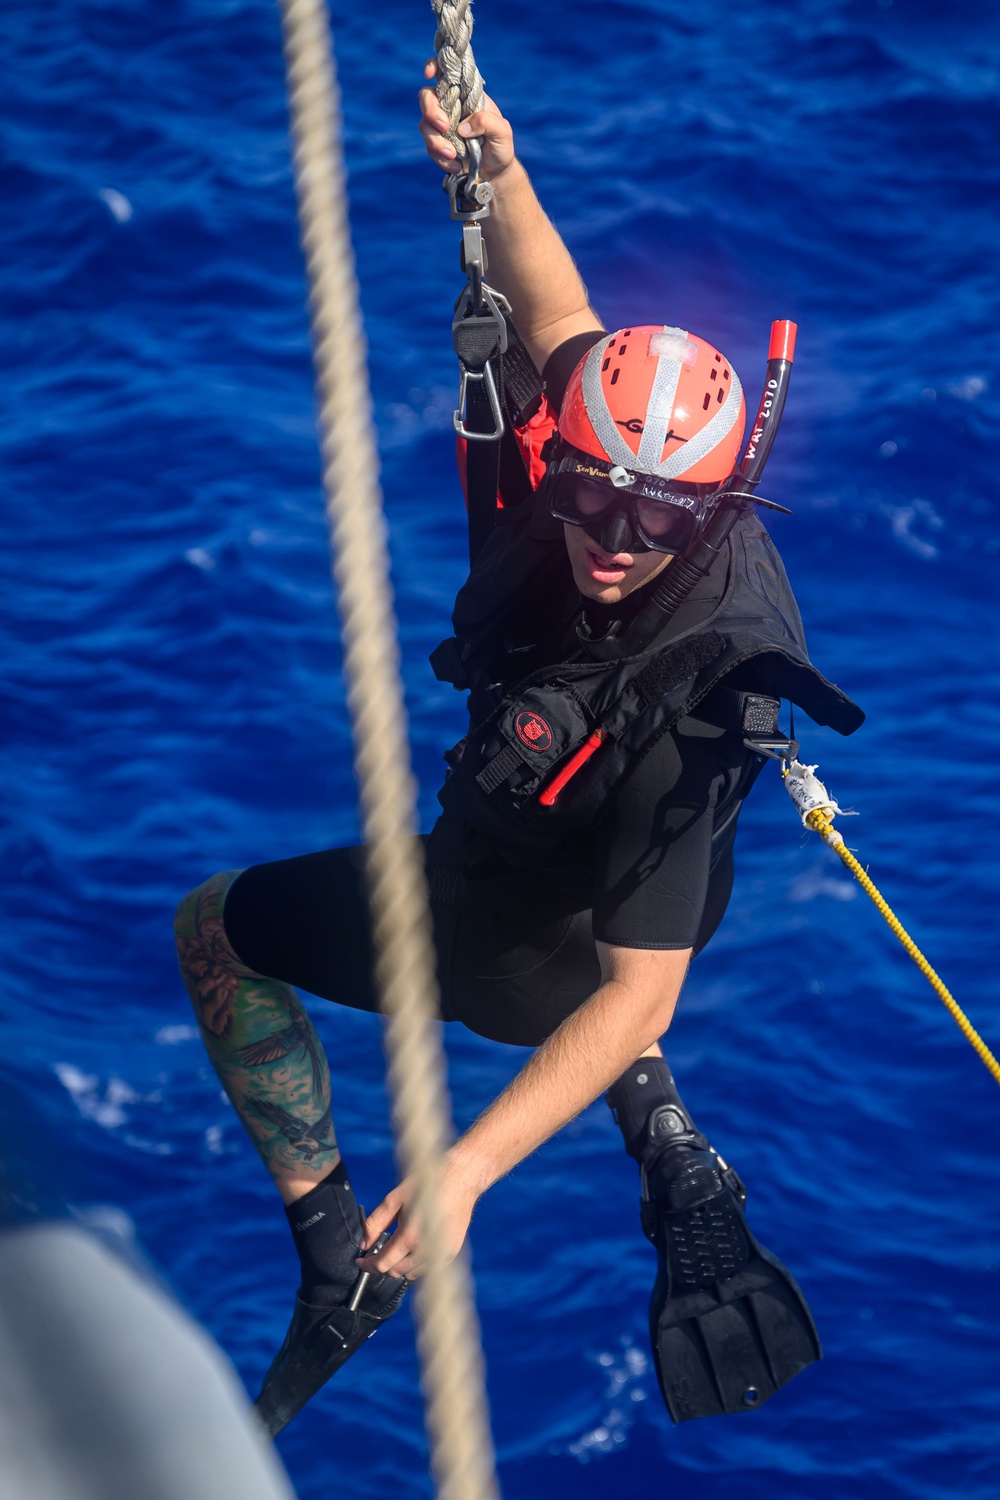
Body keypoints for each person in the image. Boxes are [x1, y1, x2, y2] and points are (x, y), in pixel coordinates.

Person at [174, 69, 863, 1437]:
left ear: (715, 508)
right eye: (587, 490)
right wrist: (493, 165)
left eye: (653, 520)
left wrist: (462, 1173)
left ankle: (333, 1265)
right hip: (607, 863)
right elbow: (563, 318)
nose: (611, 536)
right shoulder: (633, 439)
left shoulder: (704, 694)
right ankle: (656, 1126)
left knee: (217, 933)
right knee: (599, 967)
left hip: (530, 932)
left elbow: (638, 995)